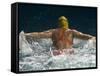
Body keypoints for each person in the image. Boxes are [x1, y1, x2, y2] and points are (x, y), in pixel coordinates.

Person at [25, 16, 95, 55]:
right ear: (67, 23)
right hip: (69, 53)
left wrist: (25, 35)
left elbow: (39, 35)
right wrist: (94, 38)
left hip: (57, 53)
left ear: (58, 24)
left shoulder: (53, 32)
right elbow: (87, 37)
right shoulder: (72, 32)